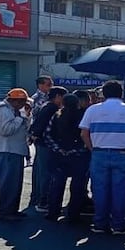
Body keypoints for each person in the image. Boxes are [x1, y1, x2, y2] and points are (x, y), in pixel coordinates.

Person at [79, 80, 125, 235]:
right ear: (121, 93)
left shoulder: (92, 110)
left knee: (99, 189)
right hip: (123, 153)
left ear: (104, 93)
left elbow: (83, 133)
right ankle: (118, 224)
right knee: (121, 190)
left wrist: (92, 149)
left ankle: (100, 223)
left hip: (98, 153)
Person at [44, 94, 90, 222]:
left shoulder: (57, 116)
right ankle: (73, 214)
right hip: (78, 156)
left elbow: (47, 134)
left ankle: (53, 212)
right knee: (77, 186)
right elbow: (86, 136)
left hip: (58, 156)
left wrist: (59, 149)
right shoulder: (83, 116)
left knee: (57, 185)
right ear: (77, 103)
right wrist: (76, 149)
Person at [0, 88, 33, 221]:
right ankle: (5, 211)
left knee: (15, 183)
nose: (23, 105)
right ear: (15, 101)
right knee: (8, 183)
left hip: (15, 150)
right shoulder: (3, 110)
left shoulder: (13, 111)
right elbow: (6, 130)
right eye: (22, 102)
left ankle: (11, 209)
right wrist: (20, 118)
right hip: (7, 150)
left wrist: (26, 117)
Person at [28, 86, 67, 211]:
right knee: (46, 173)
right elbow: (42, 126)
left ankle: (37, 198)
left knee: (39, 172)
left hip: (40, 143)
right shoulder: (52, 109)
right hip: (46, 144)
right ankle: (43, 201)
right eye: (63, 97)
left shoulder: (45, 106)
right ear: (57, 97)